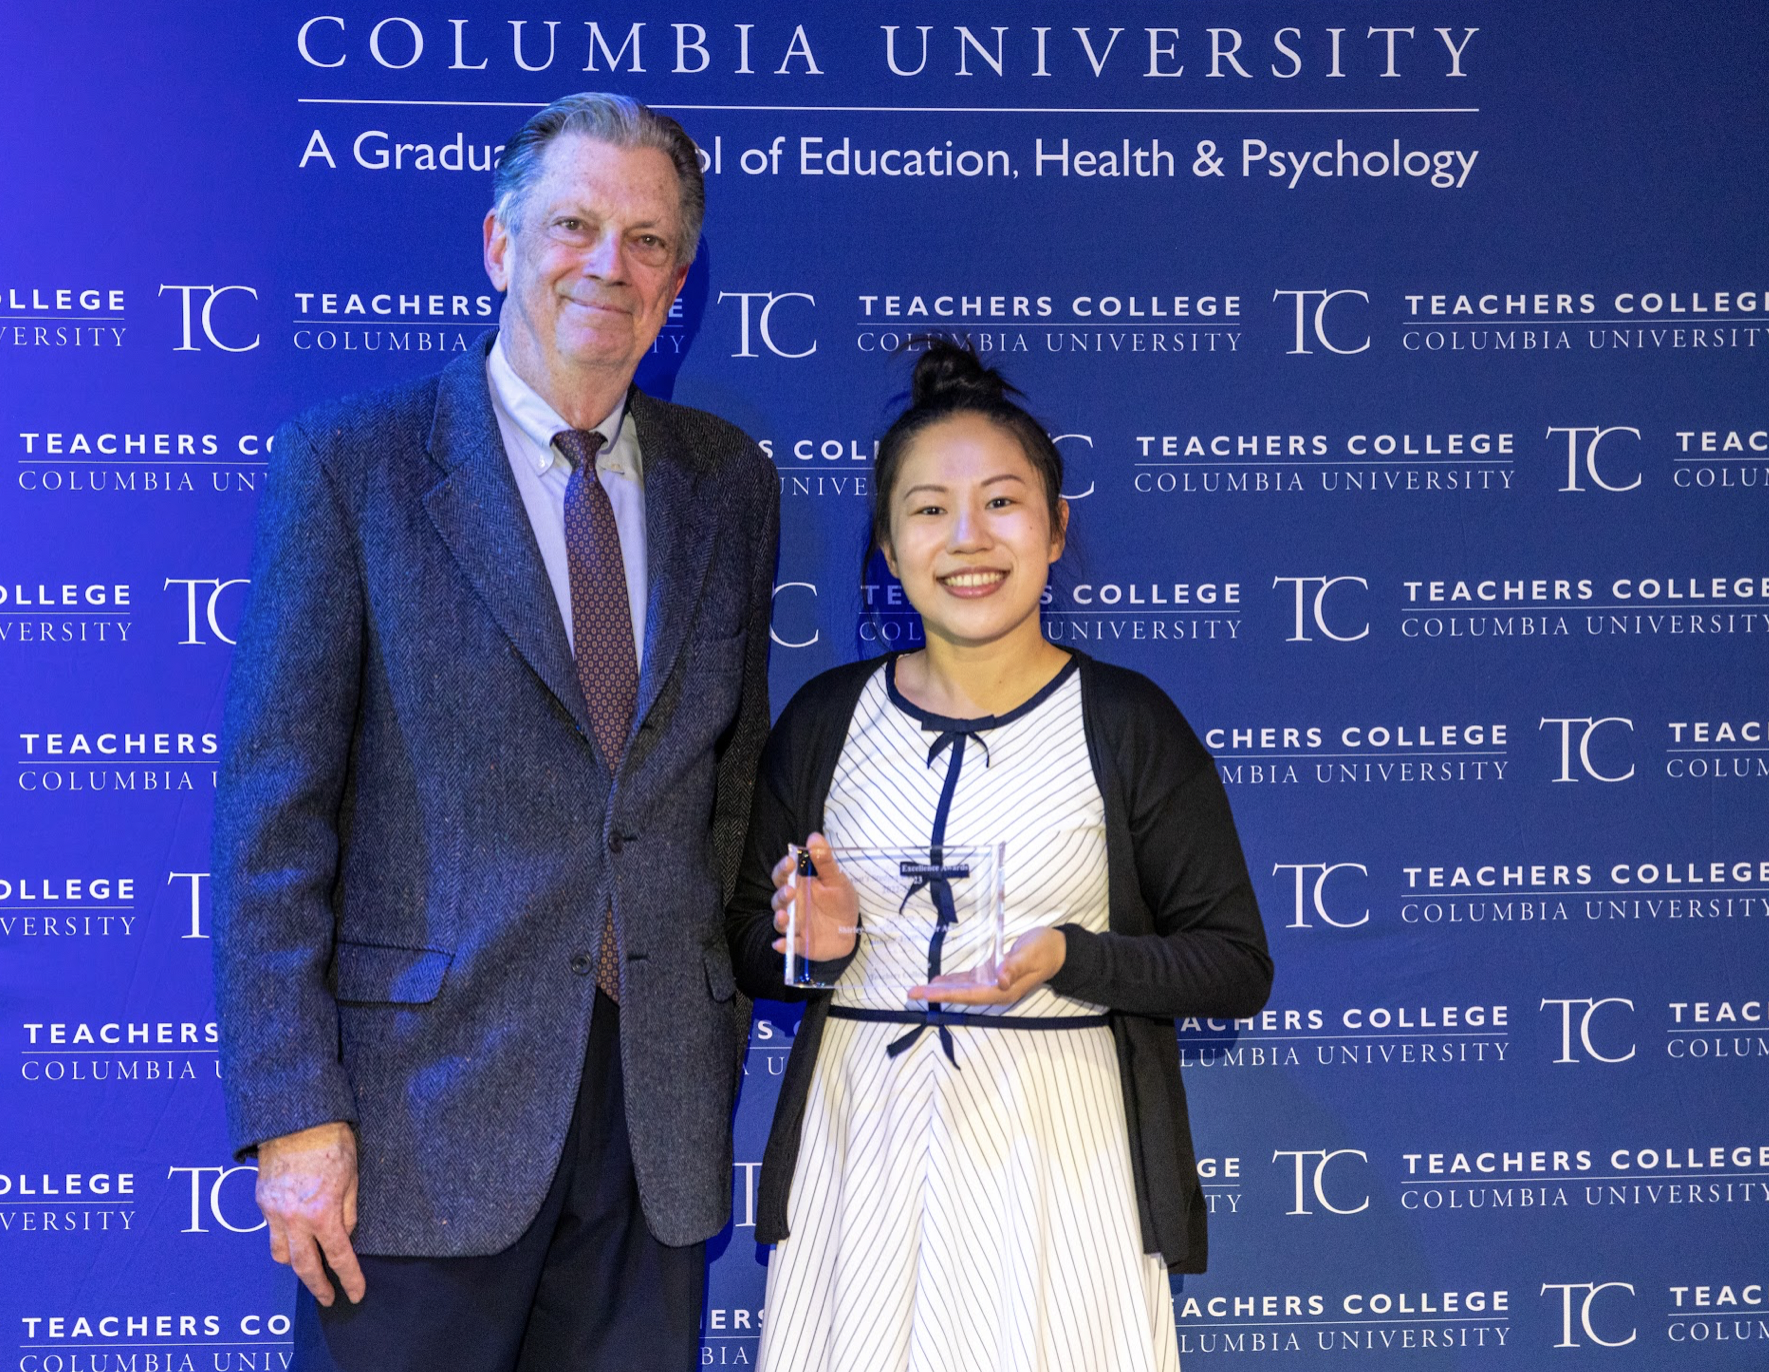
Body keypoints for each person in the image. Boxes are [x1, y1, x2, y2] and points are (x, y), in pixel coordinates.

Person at [211, 92, 777, 1372]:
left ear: (678, 278)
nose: (608, 265)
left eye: (645, 240)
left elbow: (728, 795)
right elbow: (272, 818)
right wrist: (295, 1113)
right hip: (417, 1124)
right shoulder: (351, 465)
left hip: (654, 1123)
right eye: (574, 223)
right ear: (500, 245)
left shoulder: (730, 483)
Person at [726, 340, 1272, 1371]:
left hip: (1064, 1160)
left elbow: (1234, 962)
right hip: (861, 1158)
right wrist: (813, 944)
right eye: (929, 509)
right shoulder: (823, 721)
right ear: (887, 548)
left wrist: (1072, 955)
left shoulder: (1127, 721)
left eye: (1002, 503)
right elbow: (751, 947)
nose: (967, 538)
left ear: (1057, 528)